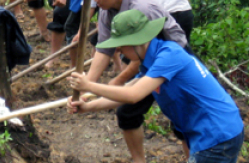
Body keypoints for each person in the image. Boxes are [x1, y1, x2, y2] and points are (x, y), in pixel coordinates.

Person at [67, 9, 244, 163]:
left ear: (136, 41)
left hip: (218, 134)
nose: (118, 52)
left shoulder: (169, 56)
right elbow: (127, 91)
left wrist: (89, 85)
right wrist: (87, 106)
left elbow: (133, 95)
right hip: (211, 133)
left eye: (120, 46)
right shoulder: (151, 62)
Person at [71, 0, 190, 163]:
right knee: (127, 112)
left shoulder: (142, 9)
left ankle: (194, 158)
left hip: (173, 60)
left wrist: (116, 81)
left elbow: (141, 56)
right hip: (147, 62)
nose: (96, 1)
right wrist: (83, 91)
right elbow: (104, 50)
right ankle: (138, 160)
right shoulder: (107, 10)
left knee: (184, 117)